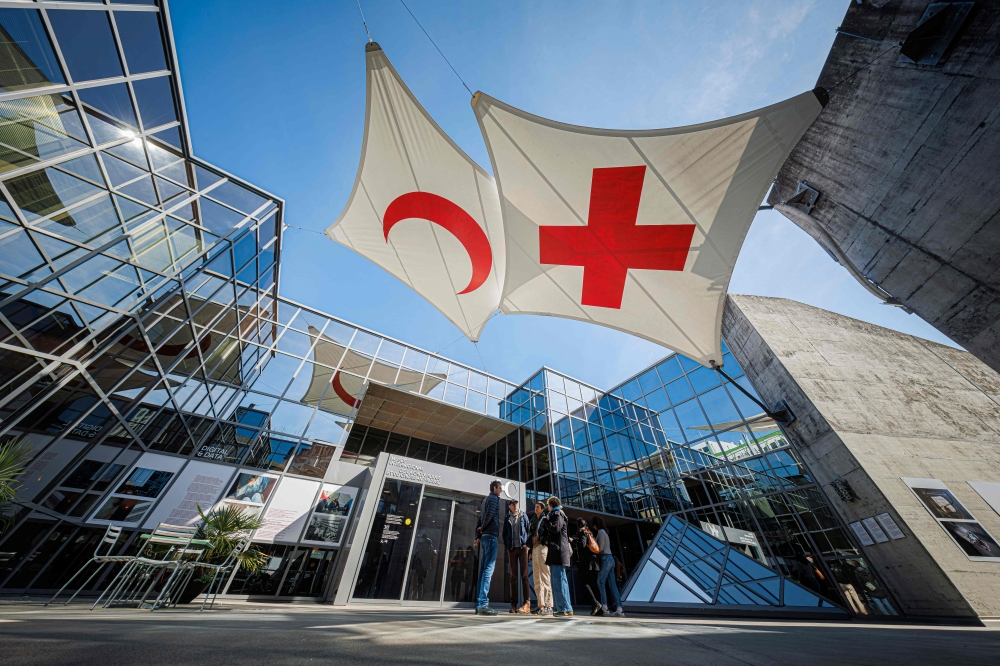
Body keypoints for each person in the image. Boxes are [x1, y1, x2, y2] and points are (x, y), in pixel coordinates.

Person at [473, 480, 503, 615]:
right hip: (490, 536)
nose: (501, 490)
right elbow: (489, 516)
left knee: (483, 570)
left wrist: (478, 536)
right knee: (488, 570)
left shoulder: (485, 500)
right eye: (500, 488)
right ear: (494, 488)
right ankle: (483, 604)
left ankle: (479, 604)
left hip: (485, 537)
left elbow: (480, 519)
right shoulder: (494, 499)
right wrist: (483, 529)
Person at [542, 495, 573, 617]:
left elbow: (555, 528)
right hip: (559, 552)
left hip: (558, 552)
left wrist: (546, 521)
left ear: (551, 504)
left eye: (548, 505)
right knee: (560, 580)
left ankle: (563, 608)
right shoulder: (558, 513)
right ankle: (565, 608)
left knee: (558, 580)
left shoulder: (557, 513)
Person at [502, 498, 531, 613]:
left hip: (523, 548)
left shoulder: (523, 516)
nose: (515, 506)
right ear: (509, 506)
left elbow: (528, 531)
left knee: (524, 576)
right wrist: (508, 545)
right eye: (513, 504)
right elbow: (504, 534)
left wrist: (527, 546)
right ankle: (513, 605)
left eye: (516, 504)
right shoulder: (507, 518)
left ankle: (526, 603)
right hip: (512, 549)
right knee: (513, 577)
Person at [591, 516, 624, 617]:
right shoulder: (605, 532)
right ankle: (619, 609)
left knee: (600, 582)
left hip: (605, 558)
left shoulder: (600, 532)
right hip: (610, 559)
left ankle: (604, 607)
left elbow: (600, 548)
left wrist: (592, 548)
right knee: (612, 584)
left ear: (595, 524)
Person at [572, 518, 601, 615]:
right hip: (594, 560)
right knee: (593, 583)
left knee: (583, 581)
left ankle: (595, 603)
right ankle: (599, 607)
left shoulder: (582, 532)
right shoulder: (589, 532)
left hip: (587, 561)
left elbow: (582, 545)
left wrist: (573, 541)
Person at [528, 501, 552, 615]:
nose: (535, 508)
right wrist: (530, 550)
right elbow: (531, 534)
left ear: (542, 509)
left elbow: (548, 533)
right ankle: (540, 605)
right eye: (535, 507)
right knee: (536, 578)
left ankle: (549, 605)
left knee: (545, 576)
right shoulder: (533, 520)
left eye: (537, 507)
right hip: (534, 548)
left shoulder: (546, 519)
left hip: (543, 548)